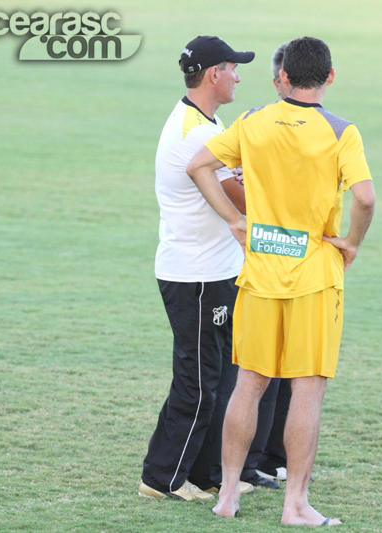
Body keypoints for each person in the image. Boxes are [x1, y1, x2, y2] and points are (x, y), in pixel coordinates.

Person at [187, 36, 375, 525]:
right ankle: (295, 504)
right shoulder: (341, 131)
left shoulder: (252, 121)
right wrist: (352, 242)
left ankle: (227, 495)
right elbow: (367, 198)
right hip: (314, 274)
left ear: (284, 76)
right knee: (307, 389)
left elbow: (198, 166)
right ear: (330, 77)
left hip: (260, 271)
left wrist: (232, 217)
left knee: (248, 385)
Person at [139, 35, 256, 501]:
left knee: (218, 377)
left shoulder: (203, 121)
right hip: (197, 278)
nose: (238, 76)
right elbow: (242, 197)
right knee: (200, 381)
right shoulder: (201, 133)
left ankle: (205, 474)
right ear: (213, 74)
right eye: (232, 67)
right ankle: (161, 479)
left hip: (209, 272)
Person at [241, 43, 292, 491]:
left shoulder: (317, 127)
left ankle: (276, 456)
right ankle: (251, 462)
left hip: (295, 257)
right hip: (268, 255)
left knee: (291, 370)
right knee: (262, 369)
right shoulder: (255, 123)